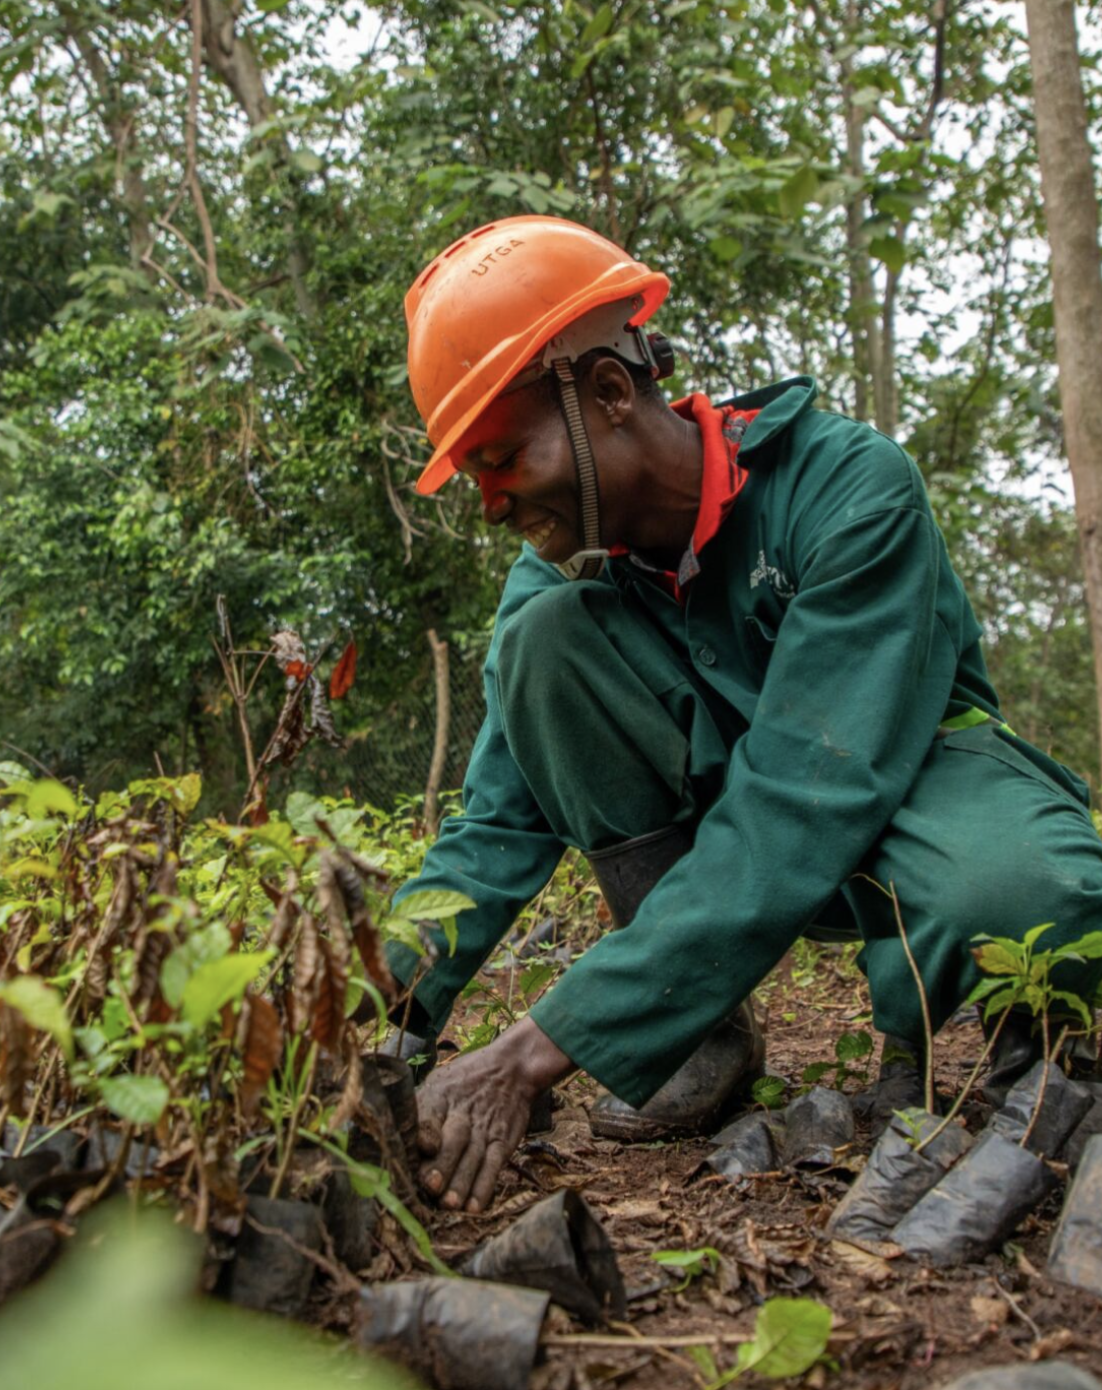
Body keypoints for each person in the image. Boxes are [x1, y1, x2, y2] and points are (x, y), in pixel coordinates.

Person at [384, 214, 1102, 1216]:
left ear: (606, 394)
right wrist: (365, 1005)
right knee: (541, 640)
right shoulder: (551, 580)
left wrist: (532, 1050)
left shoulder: (849, 491)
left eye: (502, 458)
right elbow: (496, 825)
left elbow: (803, 801)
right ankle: (694, 1026)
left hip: (907, 787)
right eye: (472, 479)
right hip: (745, 824)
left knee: (1035, 899)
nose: (492, 503)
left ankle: (960, 1042)